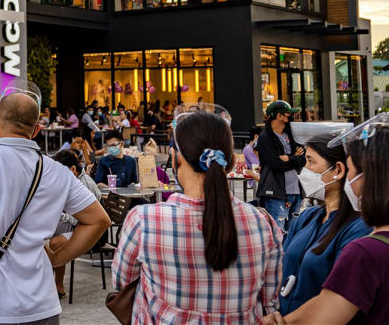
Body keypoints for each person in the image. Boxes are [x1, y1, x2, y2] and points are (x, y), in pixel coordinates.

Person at [0, 88, 110, 325]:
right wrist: (57, 259)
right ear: (37, 129)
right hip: (44, 305)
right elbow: (99, 220)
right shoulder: (58, 171)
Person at [265, 122, 389, 324]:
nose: (349, 179)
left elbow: (321, 317)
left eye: (351, 170)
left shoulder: (367, 252)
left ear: (372, 178)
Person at [114, 110, 283, 323]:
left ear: (175, 157)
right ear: (231, 161)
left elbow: (122, 283)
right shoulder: (263, 224)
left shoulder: (143, 221)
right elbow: (270, 303)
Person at [277, 134, 371, 314]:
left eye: (311, 162)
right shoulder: (308, 217)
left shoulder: (359, 227)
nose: (305, 169)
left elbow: (339, 296)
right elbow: (282, 263)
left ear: (338, 169)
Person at [49, 149, 104, 297]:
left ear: (72, 169)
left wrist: (59, 214)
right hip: (75, 226)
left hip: (90, 232)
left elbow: (83, 220)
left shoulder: (84, 184)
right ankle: (46, 283)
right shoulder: (73, 180)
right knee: (37, 235)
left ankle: (58, 285)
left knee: (55, 243)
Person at [256, 100, 305, 230]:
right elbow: (275, 164)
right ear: (279, 116)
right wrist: (295, 157)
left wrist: (289, 158)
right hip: (276, 193)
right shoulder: (265, 137)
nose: (291, 117)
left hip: (296, 192)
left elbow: (303, 159)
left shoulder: (291, 135)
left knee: (293, 232)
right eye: (288, 114)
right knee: (278, 232)